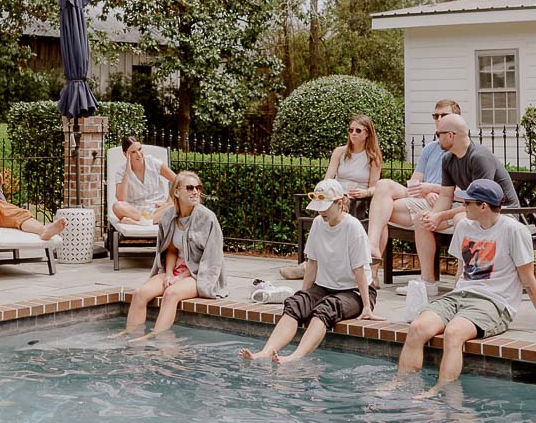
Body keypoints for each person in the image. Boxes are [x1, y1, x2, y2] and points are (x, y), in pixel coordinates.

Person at [396, 179, 536, 392]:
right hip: (460, 296)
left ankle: (439, 392)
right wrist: (454, 297)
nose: (461, 207)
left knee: (454, 333)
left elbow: (528, 279)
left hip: (494, 302)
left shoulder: (514, 231)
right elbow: (461, 270)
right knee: (417, 328)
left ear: (483, 206)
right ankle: (401, 387)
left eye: (467, 203)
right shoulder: (464, 226)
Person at [241, 179, 377, 363]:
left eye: (326, 207)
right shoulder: (318, 224)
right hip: (324, 287)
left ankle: (294, 357)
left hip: (355, 291)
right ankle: (265, 352)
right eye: (319, 207)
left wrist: (367, 306)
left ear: (340, 203)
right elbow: (312, 263)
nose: (321, 211)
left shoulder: (352, 227)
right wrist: (304, 296)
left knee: (326, 308)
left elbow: (359, 270)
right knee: (296, 302)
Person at [404, 113, 519, 298]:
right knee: (421, 219)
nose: (437, 138)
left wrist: (441, 216)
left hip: (501, 213)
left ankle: (462, 279)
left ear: (450, 135)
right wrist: (433, 215)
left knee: (460, 219)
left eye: (439, 133)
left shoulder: (479, 157)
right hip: (475, 211)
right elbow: (445, 196)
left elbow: (482, 202)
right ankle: (428, 283)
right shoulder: (448, 159)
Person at [123, 171, 226, 338]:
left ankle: (156, 337)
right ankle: (131, 336)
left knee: (171, 294)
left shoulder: (208, 218)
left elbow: (211, 259)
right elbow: (170, 249)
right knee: (139, 293)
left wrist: (180, 278)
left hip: (199, 273)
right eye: (190, 188)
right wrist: (169, 274)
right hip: (176, 269)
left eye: (198, 188)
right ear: (176, 192)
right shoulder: (169, 216)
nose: (196, 192)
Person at [366, 99, 461, 260]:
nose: (439, 119)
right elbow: (413, 182)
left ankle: (371, 266)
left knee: (381, 212)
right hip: (423, 199)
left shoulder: (462, 148)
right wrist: (425, 193)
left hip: (446, 205)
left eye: (444, 115)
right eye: (435, 116)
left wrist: (431, 189)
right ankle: (372, 248)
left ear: (457, 118)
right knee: (383, 186)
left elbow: (462, 192)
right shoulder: (430, 148)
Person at [110, 136, 176, 223]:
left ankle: (139, 223)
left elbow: (177, 180)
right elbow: (121, 198)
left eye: (140, 149)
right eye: (133, 152)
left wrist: (168, 202)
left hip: (158, 208)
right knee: (117, 206)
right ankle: (149, 221)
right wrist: (127, 172)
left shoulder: (153, 162)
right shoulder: (121, 172)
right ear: (125, 155)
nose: (139, 154)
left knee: (176, 205)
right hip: (135, 211)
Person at [325, 115, 383, 198]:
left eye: (358, 130)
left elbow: (373, 187)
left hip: (357, 199)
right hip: (337, 195)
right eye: (351, 130)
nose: (353, 133)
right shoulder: (339, 152)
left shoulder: (373, 157)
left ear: (367, 133)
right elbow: (328, 179)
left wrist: (366, 192)